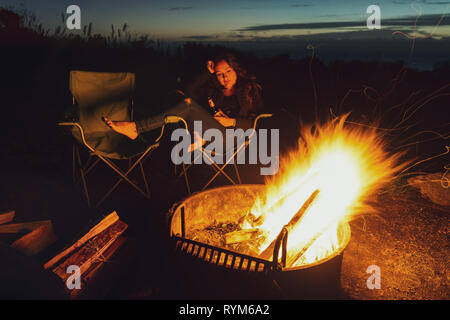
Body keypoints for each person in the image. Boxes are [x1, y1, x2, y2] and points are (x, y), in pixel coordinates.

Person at [103, 53, 263, 150]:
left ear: (236, 70)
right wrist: (207, 73)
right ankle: (192, 136)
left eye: (228, 71)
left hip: (232, 138)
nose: (225, 77)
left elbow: (256, 122)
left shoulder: (248, 90)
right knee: (177, 96)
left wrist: (232, 121)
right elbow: (188, 92)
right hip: (212, 130)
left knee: (187, 105)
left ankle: (136, 128)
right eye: (219, 74)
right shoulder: (215, 91)